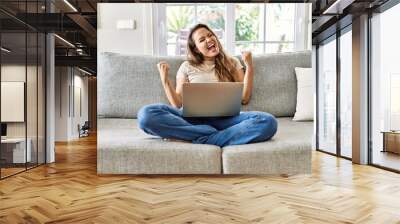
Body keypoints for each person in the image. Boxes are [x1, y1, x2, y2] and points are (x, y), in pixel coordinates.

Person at [138, 24, 277, 147]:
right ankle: (214, 135)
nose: (209, 39)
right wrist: (165, 81)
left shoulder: (232, 62)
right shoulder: (186, 66)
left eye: (210, 35)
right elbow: (178, 103)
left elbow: (245, 98)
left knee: (268, 121)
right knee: (146, 115)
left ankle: (198, 138)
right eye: (202, 39)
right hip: (191, 120)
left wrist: (249, 66)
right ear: (196, 49)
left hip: (227, 120)